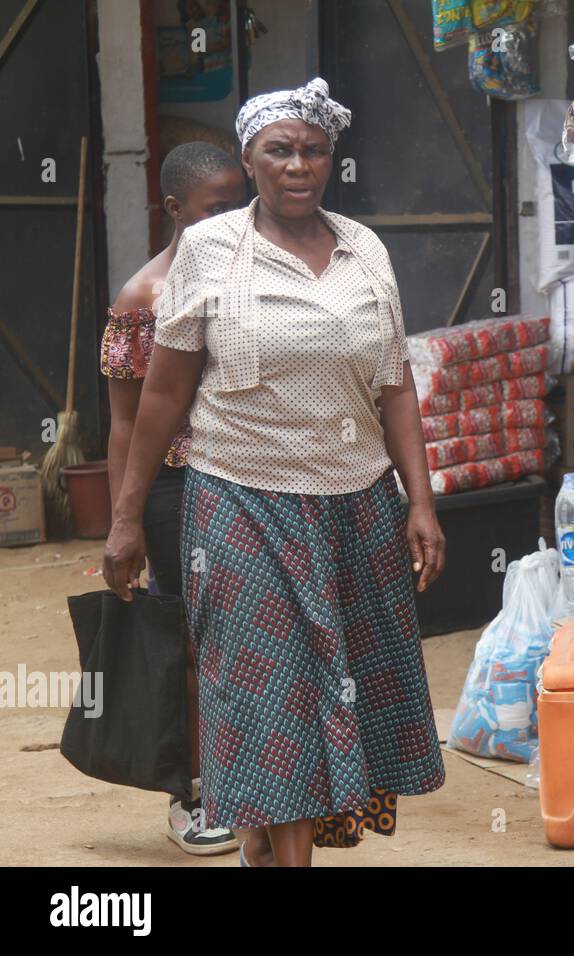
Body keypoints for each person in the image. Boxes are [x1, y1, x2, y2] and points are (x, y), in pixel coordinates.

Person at [103, 78, 447, 867]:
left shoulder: (366, 251)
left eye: (314, 150)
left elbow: (395, 385)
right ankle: (286, 856)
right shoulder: (208, 249)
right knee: (272, 688)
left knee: (344, 684)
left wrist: (419, 502)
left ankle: (263, 830)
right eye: (279, 151)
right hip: (241, 504)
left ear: (332, 159)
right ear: (250, 161)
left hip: (356, 504)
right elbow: (161, 392)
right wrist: (125, 520)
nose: (299, 165)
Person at [101, 141, 246, 855]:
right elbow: (127, 423)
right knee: (191, 634)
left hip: (253, 474)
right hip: (176, 484)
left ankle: (264, 780)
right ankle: (195, 791)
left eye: (238, 203)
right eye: (217, 207)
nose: (234, 218)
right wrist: (121, 523)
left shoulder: (259, 272)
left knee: (255, 629)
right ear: (173, 209)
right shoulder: (143, 299)